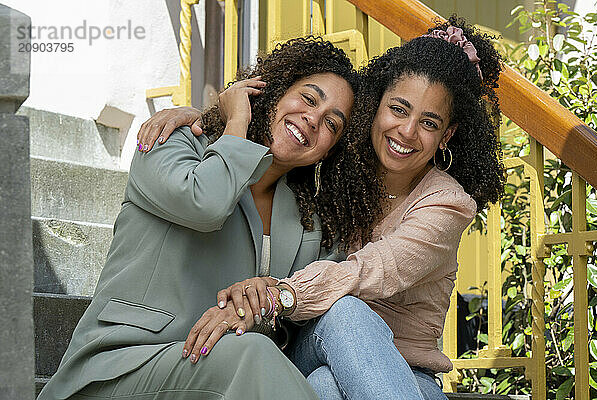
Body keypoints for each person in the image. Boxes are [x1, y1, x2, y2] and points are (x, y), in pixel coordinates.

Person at [139, 16, 506, 400]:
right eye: (398, 109)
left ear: (446, 136)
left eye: (428, 123)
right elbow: (284, 136)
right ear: (376, 106)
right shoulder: (338, 174)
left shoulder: (447, 204)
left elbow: (373, 269)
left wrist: (280, 295)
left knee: (324, 386)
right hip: (315, 345)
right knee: (340, 323)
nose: (407, 131)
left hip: (406, 377)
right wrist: (205, 118)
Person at [36, 36, 365, 400]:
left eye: (332, 124)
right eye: (308, 98)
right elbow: (205, 204)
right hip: (116, 369)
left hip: (218, 378)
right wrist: (236, 120)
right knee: (253, 355)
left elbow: (309, 308)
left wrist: (264, 301)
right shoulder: (171, 142)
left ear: (328, 153)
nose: (313, 120)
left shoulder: (309, 224)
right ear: (270, 90)